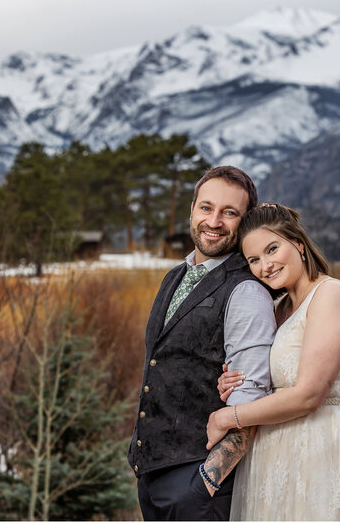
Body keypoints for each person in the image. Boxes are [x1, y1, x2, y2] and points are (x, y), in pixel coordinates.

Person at [206, 203, 340, 521]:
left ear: (299, 244)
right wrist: (235, 382)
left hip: (326, 447)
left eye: (272, 249)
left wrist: (228, 417)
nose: (266, 265)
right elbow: (267, 380)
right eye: (254, 260)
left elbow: (309, 395)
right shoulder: (278, 308)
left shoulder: (330, 295)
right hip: (277, 455)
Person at [128, 166, 278, 520]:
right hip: (152, 472)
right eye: (206, 208)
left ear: (245, 222)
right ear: (192, 209)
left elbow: (252, 392)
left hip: (198, 483)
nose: (214, 221)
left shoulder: (246, 290)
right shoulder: (175, 276)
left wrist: (206, 482)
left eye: (230, 213)